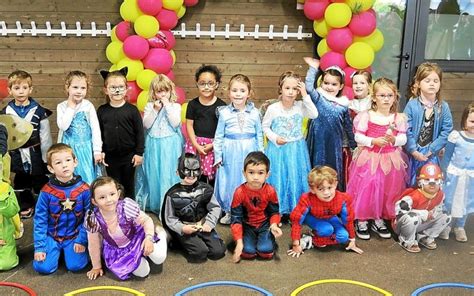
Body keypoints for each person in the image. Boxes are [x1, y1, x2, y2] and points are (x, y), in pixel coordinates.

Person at [346, 78, 409, 240]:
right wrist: (373, 141)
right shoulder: (367, 116)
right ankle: (362, 218)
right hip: (370, 158)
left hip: (391, 158)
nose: (386, 99)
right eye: (382, 95)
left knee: (385, 189)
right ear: (374, 97)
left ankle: (378, 218)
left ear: (395, 97)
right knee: (368, 187)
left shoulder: (398, 118)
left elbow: (403, 138)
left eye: (390, 95)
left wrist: (394, 140)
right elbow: (358, 136)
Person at [85, 176, 167, 280]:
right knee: (143, 272)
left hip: (137, 238)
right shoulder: (93, 219)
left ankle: (161, 234)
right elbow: (93, 244)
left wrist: (149, 238)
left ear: (118, 194)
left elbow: (146, 220)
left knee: (159, 258)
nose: (109, 200)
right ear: (94, 201)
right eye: (102, 197)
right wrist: (96, 267)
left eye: (112, 194)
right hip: (118, 250)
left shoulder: (126, 207)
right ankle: (140, 255)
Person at [262, 71, 318, 219]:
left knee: (295, 176)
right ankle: (277, 211)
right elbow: (265, 126)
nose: (291, 92)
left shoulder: (301, 106)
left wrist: (305, 95)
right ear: (281, 88)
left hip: (296, 149)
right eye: (287, 88)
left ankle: (295, 209)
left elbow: (314, 114)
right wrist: (274, 138)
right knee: (279, 177)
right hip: (278, 149)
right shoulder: (273, 108)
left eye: (295, 89)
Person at [213, 74, 264, 224]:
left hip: (249, 150)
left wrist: (261, 155)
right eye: (234, 90)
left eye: (242, 90)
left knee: (249, 179)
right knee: (230, 181)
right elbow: (219, 136)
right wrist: (218, 155)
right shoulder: (224, 113)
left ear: (249, 93)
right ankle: (230, 211)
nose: (238, 94)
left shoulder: (255, 113)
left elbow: (259, 135)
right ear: (229, 92)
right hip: (230, 152)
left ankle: (248, 211)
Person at [1, 70, 53, 219]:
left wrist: (46, 157)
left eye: (24, 88)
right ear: (10, 90)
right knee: (21, 178)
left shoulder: (39, 111)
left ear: (30, 89)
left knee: (39, 178)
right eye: (16, 88)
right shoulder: (6, 112)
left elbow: (45, 135)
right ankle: (25, 204)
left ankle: (42, 205)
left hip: (35, 151)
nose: (21, 92)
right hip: (17, 153)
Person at [33, 143, 90, 274]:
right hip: (52, 236)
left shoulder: (85, 190)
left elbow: (89, 217)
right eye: (58, 162)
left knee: (76, 266)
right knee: (43, 268)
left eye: (68, 160)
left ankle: (68, 253)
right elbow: (40, 221)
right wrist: (39, 248)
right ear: (51, 168)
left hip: (74, 236)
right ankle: (53, 250)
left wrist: (82, 240)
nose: (64, 165)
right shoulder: (46, 192)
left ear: (75, 162)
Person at [161, 153, 225, 263]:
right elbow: (169, 218)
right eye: (186, 170)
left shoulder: (206, 189)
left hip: (203, 225)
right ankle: (182, 244)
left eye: (194, 170)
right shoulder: (172, 194)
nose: (191, 175)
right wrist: (182, 228)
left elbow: (215, 207)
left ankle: (207, 241)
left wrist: (209, 223)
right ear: (178, 172)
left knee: (218, 252)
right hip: (185, 228)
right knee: (200, 254)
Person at [303, 58, 356, 191]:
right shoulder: (319, 97)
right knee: (316, 165)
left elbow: (348, 127)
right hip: (317, 140)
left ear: (341, 86)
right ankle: (313, 193)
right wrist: (313, 68)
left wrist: (354, 146)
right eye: (326, 83)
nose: (329, 87)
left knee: (332, 169)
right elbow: (308, 87)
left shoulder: (343, 105)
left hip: (333, 143)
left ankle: (332, 195)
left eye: (334, 84)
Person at [287, 166, 363, 257]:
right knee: (327, 229)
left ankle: (313, 238)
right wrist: (296, 243)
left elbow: (348, 219)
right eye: (320, 189)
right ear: (312, 190)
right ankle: (307, 239)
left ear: (335, 185)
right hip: (313, 217)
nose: (326, 193)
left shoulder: (344, 198)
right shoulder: (306, 198)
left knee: (343, 236)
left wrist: (352, 240)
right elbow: (296, 220)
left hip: (330, 217)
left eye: (329, 187)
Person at [135, 74, 183, 214]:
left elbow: (175, 122)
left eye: (165, 91)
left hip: (170, 144)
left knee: (168, 172)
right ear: (154, 93)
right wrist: (155, 110)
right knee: (155, 171)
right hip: (154, 143)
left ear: (170, 91)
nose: (162, 94)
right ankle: (156, 202)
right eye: (159, 91)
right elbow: (146, 125)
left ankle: (170, 204)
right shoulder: (150, 106)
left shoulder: (175, 106)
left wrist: (167, 106)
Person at [97, 67, 144, 199]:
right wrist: (101, 151)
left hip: (129, 156)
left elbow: (139, 132)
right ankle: (116, 210)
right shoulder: (102, 110)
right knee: (114, 185)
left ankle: (129, 211)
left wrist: (139, 153)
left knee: (128, 185)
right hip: (111, 157)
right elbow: (99, 132)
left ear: (126, 88)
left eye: (120, 87)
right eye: (112, 87)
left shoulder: (132, 110)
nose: (117, 90)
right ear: (106, 90)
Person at [404, 62, 453, 186]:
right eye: (427, 80)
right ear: (418, 83)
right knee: (411, 184)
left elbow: (446, 130)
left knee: (430, 184)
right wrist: (413, 151)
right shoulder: (411, 105)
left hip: (432, 154)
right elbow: (405, 128)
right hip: (413, 153)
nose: (432, 83)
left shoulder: (444, 107)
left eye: (436, 81)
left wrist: (432, 150)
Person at [231, 152, 282, 262]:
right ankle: (246, 239)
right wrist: (239, 241)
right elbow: (236, 219)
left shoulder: (270, 191)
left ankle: (268, 238)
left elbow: (274, 212)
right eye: (251, 172)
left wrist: (274, 225)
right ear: (244, 173)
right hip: (247, 225)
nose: (255, 177)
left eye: (260, 173)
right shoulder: (239, 192)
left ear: (267, 174)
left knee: (266, 252)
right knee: (248, 252)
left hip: (264, 224)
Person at [57, 71, 103, 185]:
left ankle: (87, 200)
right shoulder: (62, 106)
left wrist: (97, 151)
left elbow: (95, 129)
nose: (79, 91)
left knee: (86, 176)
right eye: (75, 87)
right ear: (68, 88)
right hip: (69, 148)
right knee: (70, 175)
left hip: (86, 148)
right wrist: (71, 107)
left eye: (83, 88)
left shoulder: (88, 106)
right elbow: (63, 126)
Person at [393, 163, 451, 253]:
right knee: (412, 217)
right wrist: (422, 213)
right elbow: (397, 210)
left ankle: (424, 236)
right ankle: (406, 240)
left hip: (421, 224)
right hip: (403, 224)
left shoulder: (440, 195)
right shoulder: (413, 196)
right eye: (427, 180)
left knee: (446, 215)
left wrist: (434, 212)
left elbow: (439, 207)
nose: (432, 184)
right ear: (420, 182)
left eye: (436, 180)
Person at [185, 65, 227, 186]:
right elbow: (189, 125)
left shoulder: (221, 106)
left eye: (210, 83)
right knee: (195, 174)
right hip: (195, 145)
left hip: (213, 146)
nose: (206, 87)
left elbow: (223, 130)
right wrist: (196, 145)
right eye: (202, 83)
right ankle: (196, 200)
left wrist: (213, 145)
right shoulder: (192, 104)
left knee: (212, 177)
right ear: (197, 84)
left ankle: (210, 200)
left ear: (217, 84)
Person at [439, 103, 474, 242]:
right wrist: (444, 171)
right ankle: (446, 225)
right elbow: (447, 156)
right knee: (448, 200)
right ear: (465, 119)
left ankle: (460, 226)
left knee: (465, 201)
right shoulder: (456, 136)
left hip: (470, 177)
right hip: (454, 175)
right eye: (472, 121)